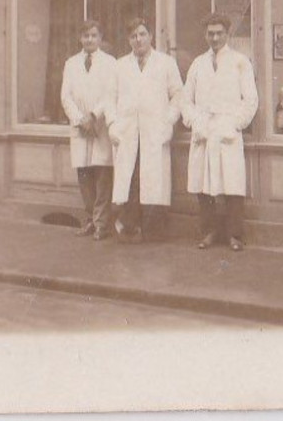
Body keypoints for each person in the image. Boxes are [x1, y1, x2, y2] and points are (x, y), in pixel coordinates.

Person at [182, 14, 258, 251]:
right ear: (205, 35)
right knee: (204, 186)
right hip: (204, 128)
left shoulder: (240, 61)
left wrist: (235, 124)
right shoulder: (197, 64)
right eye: (210, 33)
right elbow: (185, 100)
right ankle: (209, 232)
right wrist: (196, 122)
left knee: (232, 185)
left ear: (228, 34)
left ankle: (235, 235)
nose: (214, 38)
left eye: (219, 33)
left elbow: (251, 100)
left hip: (227, 130)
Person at [108, 17, 183, 244]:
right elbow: (109, 98)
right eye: (133, 36)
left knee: (153, 181)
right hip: (128, 132)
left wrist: (168, 121)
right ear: (128, 40)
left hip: (154, 132)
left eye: (142, 34)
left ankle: (153, 231)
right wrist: (113, 125)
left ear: (150, 36)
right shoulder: (120, 65)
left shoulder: (166, 63)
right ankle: (130, 228)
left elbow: (179, 95)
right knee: (130, 179)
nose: (138, 39)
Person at [60, 20, 116, 240]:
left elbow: (111, 94)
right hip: (80, 127)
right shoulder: (71, 63)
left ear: (100, 38)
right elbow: (66, 96)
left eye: (94, 35)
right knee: (84, 174)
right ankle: (90, 220)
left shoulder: (110, 63)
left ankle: (102, 223)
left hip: (100, 125)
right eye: (85, 36)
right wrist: (79, 119)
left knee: (102, 174)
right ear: (80, 38)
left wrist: (93, 116)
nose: (89, 40)